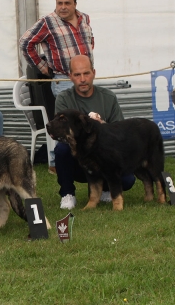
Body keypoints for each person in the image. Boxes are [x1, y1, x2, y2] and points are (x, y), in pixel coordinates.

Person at [19, 0, 94, 172]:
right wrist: (43, 68)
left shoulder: (85, 18)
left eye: (67, 3)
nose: (62, 7)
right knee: (65, 122)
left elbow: (90, 41)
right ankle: (57, 161)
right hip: (62, 79)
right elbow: (25, 43)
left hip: (85, 76)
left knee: (87, 119)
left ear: (75, 4)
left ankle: (87, 157)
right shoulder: (48, 22)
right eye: (59, 3)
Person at [53, 55, 135, 209]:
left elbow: (120, 135)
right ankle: (67, 194)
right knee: (62, 149)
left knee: (128, 180)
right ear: (70, 77)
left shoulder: (109, 97)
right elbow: (61, 134)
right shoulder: (63, 99)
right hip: (79, 160)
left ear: (94, 73)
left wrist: (103, 127)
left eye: (86, 73)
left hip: (105, 157)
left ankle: (105, 189)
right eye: (77, 75)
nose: (82, 79)